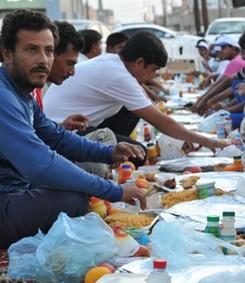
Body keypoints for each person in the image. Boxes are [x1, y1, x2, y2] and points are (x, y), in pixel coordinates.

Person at [0, 10, 146, 248]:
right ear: (7, 54)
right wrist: (114, 191)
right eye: (31, 50)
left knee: (77, 184)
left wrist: (108, 153)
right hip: (6, 197)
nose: (43, 60)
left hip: (17, 189)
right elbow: (41, 165)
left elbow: (58, 138)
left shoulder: (23, 94)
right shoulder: (3, 95)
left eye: (48, 51)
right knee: (73, 199)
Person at [44, 31, 223, 168]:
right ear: (139, 62)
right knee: (139, 153)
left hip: (70, 126)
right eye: (153, 70)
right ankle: (106, 162)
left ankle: (109, 157)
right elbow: (162, 123)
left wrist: (185, 135)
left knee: (133, 111)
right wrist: (207, 141)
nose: (153, 76)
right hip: (60, 134)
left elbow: (148, 105)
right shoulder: (118, 75)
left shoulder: (113, 63)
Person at [29, 21, 88, 131]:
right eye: (69, 63)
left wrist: (62, 127)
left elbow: (38, 134)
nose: (72, 72)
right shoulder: (21, 90)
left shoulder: (37, 88)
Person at [193, 36, 245, 115]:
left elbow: (222, 84)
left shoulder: (236, 61)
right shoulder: (233, 61)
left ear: (233, 48)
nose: (220, 52)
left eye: (223, 48)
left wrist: (204, 100)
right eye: (219, 49)